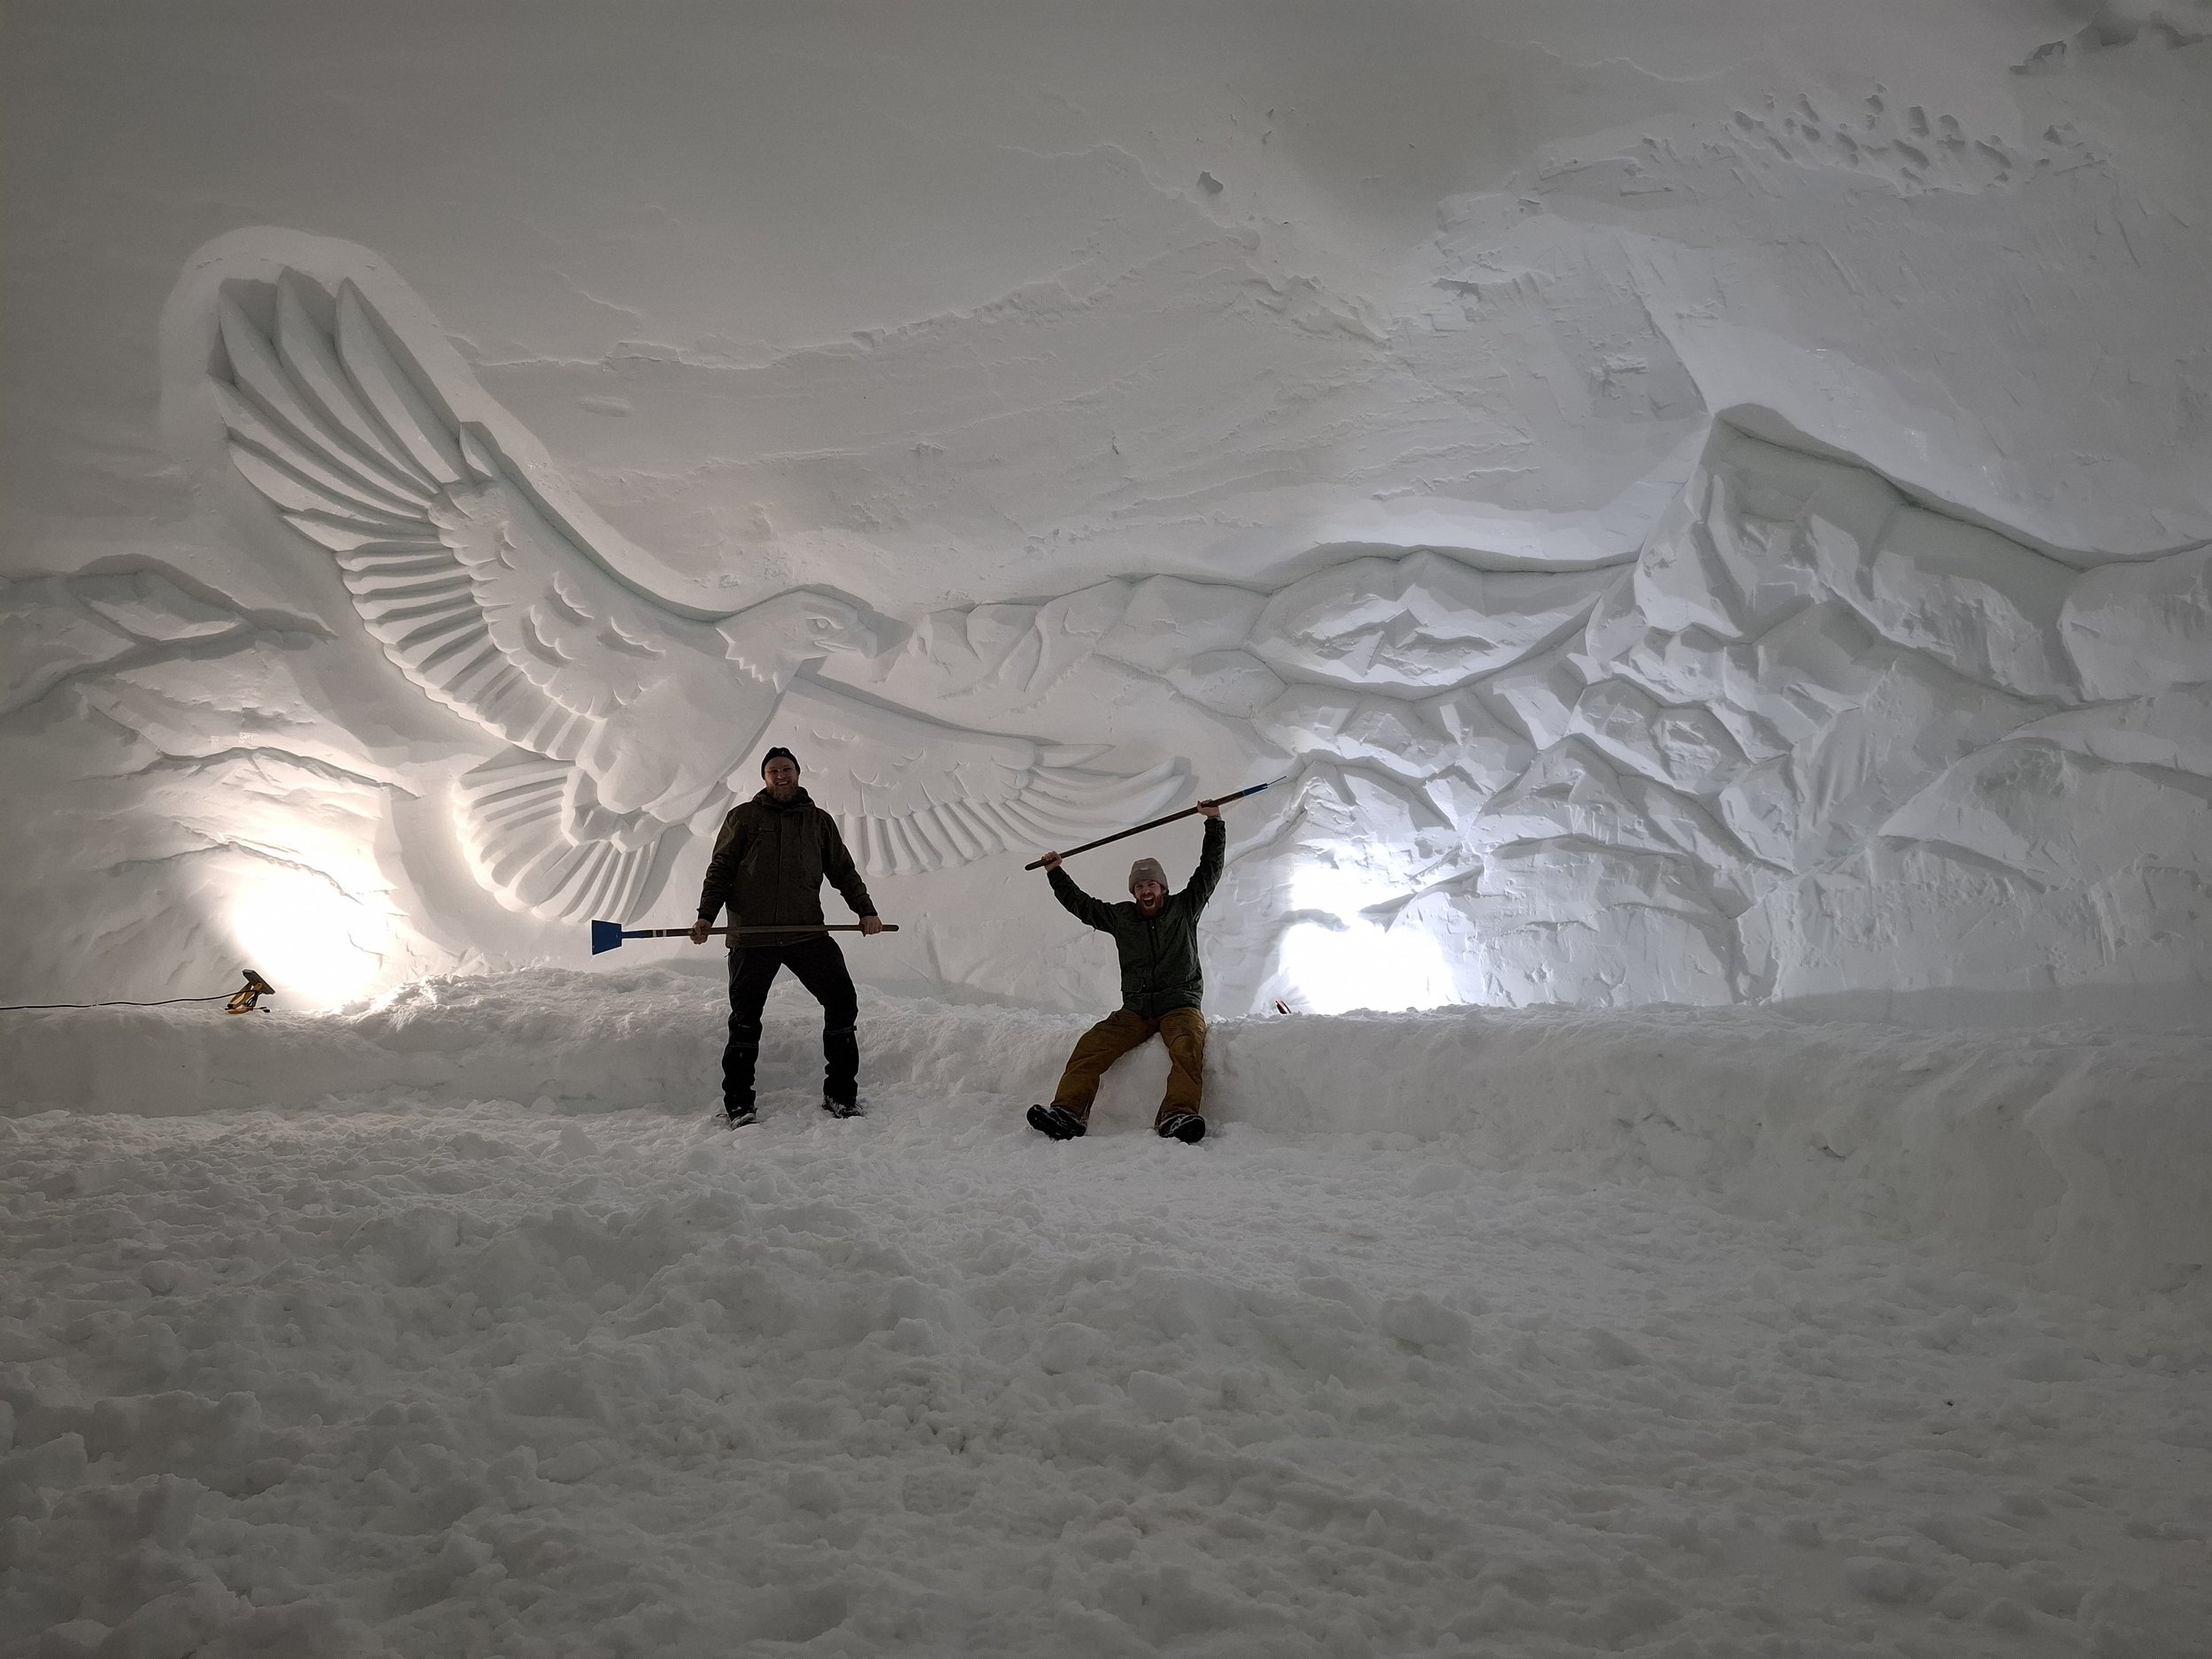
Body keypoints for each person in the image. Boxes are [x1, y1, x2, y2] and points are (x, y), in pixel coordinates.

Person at [691, 747, 884, 1125]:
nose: (781, 775)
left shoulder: (818, 821)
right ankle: (739, 1105)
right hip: (752, 936)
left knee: (842, 1002)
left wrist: (866, 911)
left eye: (787, 769)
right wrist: (705, 916)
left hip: (805, 933)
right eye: (773, 770)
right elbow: (721, 869)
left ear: (798, 773)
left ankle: (841, 1095)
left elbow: (842, 871)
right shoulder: (743, 818)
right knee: (745, 1019)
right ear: (764, 777)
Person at [1027, 801, 1225, 1144]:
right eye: (1139, 887)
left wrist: (1214, 823)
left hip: (1180, 1004)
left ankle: (1177, 1115)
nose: (1145, 891)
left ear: (1163, 888)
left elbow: (1210, 868)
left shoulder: (1184, 908)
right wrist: (1056, 873)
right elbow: (1083, 906)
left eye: (1151, 885)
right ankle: (1068, 1113)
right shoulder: (1123, 918)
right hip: (1135, 1010)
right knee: (1091, 1045)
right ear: (1133, 893)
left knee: (1187, 1044)